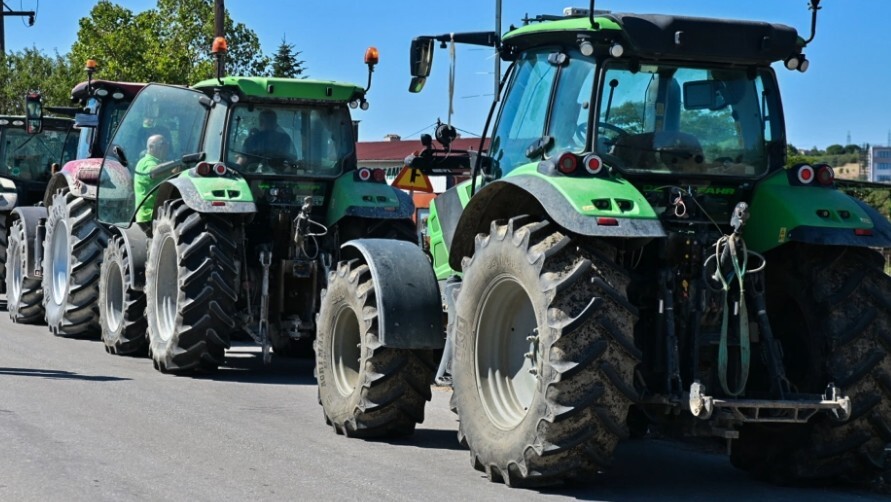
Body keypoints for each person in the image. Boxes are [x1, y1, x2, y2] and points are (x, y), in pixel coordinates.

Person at [134, 134, 169, 223]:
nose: (166, 147)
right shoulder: (146, 162)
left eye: (167, 143)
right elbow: (153, 172)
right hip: (149, 216)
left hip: (158, 213)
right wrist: (176, 163)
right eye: (162, 144)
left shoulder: (158, 162)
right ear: (151, 147)